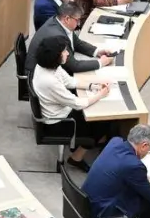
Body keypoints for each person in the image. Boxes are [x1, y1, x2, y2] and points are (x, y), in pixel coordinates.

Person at [31, 37, 109, 165]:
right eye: (64, 51)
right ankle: (76, 158)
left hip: (62, 111)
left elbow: (70, 82)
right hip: (59, 123)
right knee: (102, 121)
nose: (67, 53)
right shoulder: (49, 81)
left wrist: (94, 86)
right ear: (55, 56)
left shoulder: (50, 66)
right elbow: (77, 104)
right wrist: (100, 95)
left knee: (97, 113)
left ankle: (95, 143)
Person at [30, 0, 113, 73]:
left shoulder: (59, 21)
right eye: (77, 20)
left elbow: (77, 43)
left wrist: (96, 52)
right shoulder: (57, 36)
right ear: (67, 19)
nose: (79, 23)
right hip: (39, 77)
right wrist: (101, 62)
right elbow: (73, 66)